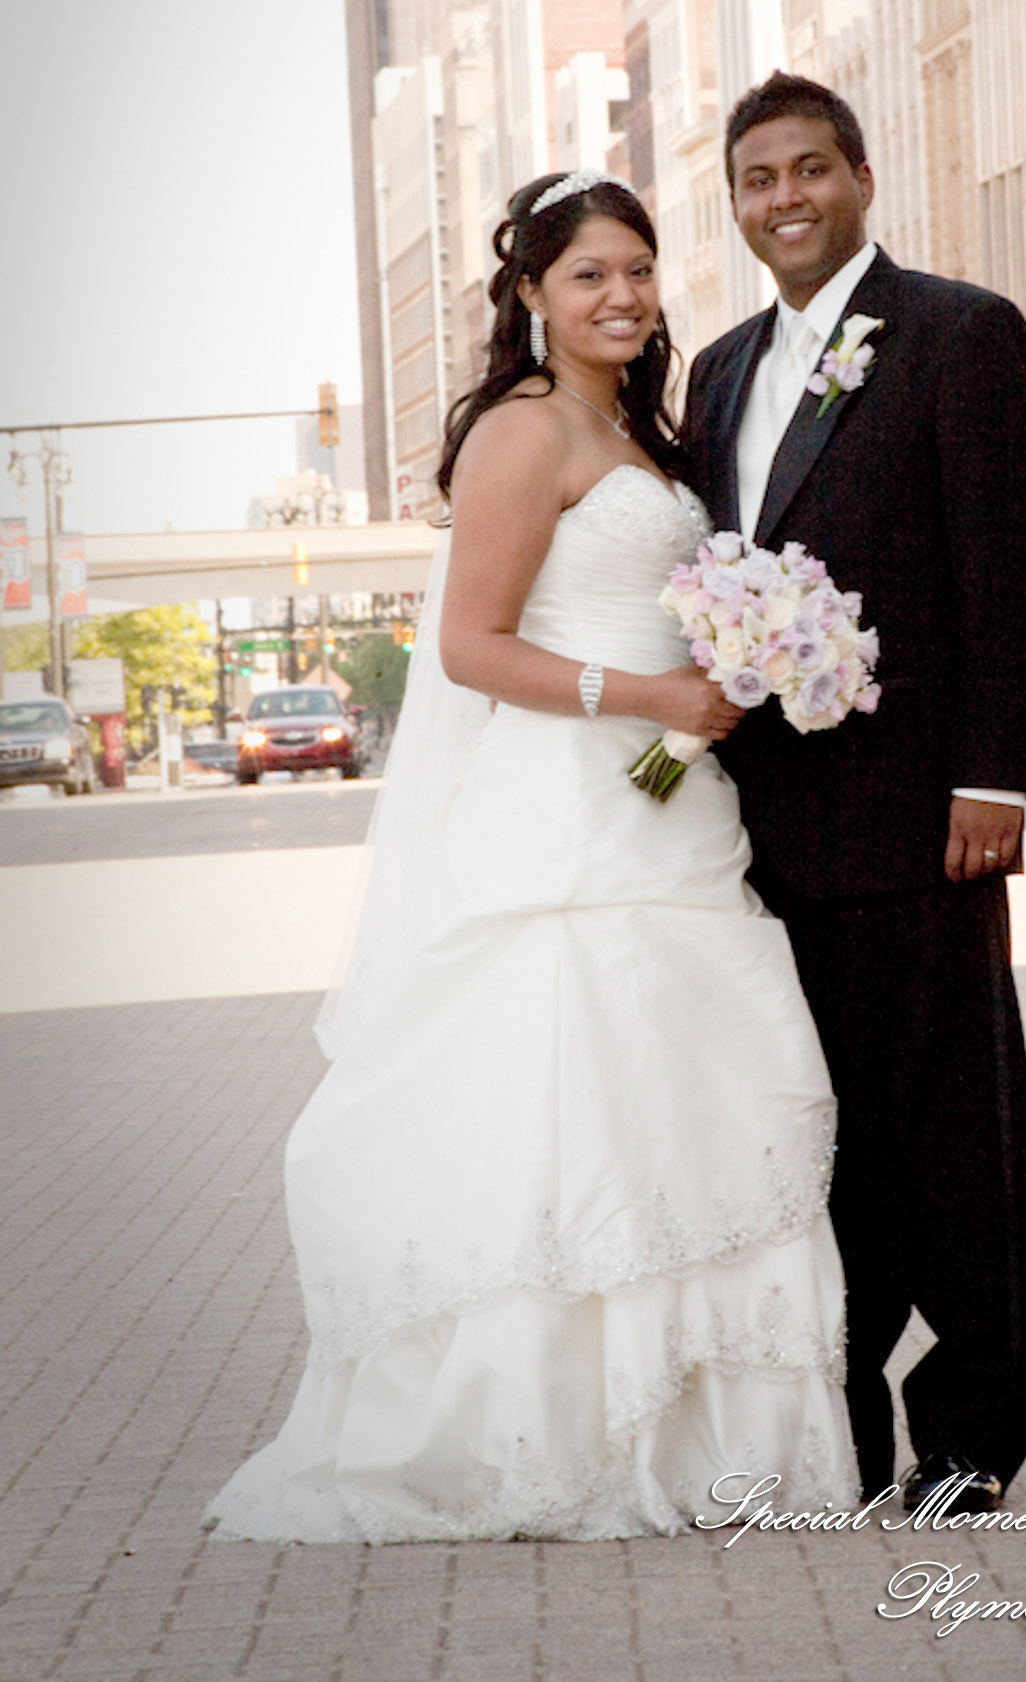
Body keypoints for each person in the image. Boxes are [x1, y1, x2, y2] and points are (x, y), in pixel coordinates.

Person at [204, 170, 857, 1543]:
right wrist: (657, 699)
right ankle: (552, 1432)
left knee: (679, 1108)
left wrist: (738, 653)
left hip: (668, 814)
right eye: (587, 275)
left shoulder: (636, 428)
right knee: (567, 1117)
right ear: (530, 294)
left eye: (638, 267)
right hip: (567, 815)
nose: (621, 294)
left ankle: (693, 1433)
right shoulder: (521, 430)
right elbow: (472, 648)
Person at [682, 74, 1026, 1510]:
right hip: (769, 833)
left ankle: (973, 1426)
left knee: (951, 1125)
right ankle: (836, 1428)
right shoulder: (717, 370)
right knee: (815, 1130)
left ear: (860, 175)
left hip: (925, 821)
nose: (783, 199)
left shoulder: (960, 334)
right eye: (756, 179)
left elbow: (1016, 561)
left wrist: (993, 779)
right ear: (733, 202)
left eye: (807, 170)